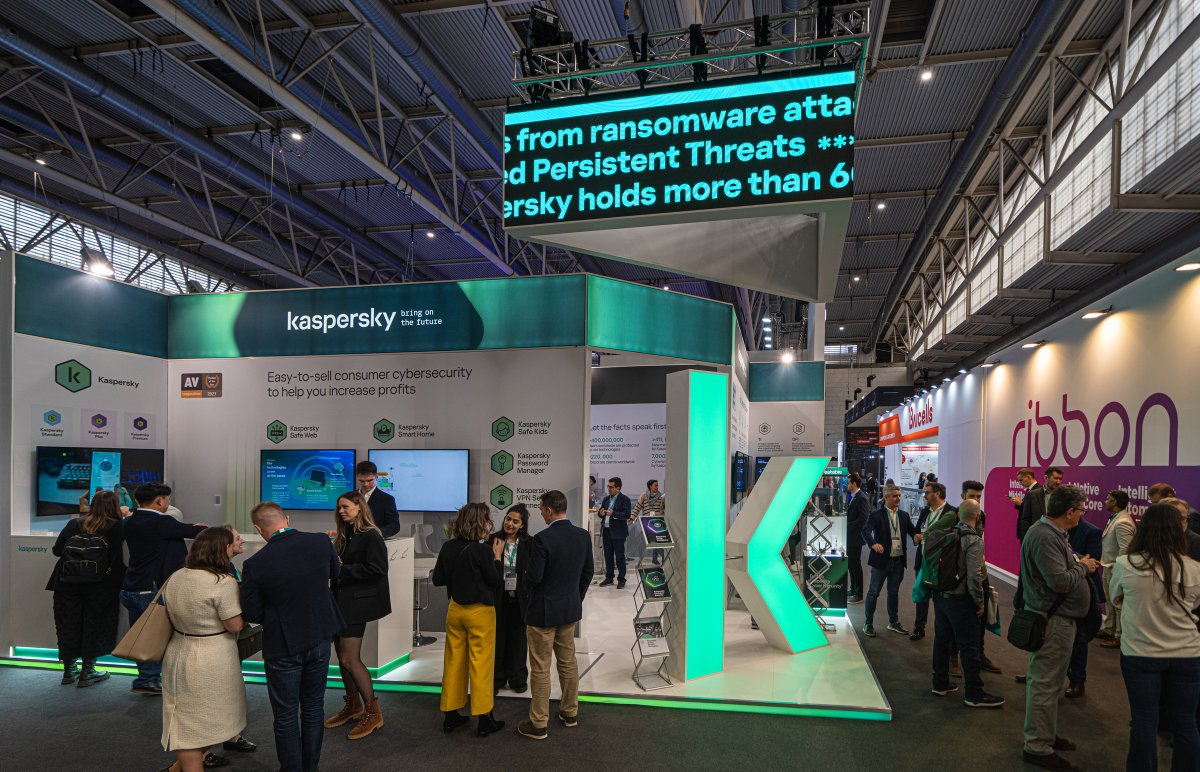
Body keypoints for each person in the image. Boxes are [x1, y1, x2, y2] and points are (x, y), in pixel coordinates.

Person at [241, 502, 344, 772]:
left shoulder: (255, 563)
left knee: (285, 715)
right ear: (286, 519)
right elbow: (335, 573)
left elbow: (251, 612)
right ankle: (311, 767)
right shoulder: (320, 542)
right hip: (319, 636)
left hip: (283, 644)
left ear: (258, 529)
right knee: (313, 707)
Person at [1110, 503, 1200, 772]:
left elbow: (1115, 599)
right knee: (1186, 723)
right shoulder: (1194, 568)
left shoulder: (1126, 564)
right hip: (1187, 654)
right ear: (1178, 530)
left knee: (1144, 721)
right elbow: (1195, 605)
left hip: (1140, 653)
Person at [1019, 484, 1100, 772]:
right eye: (1081, 510)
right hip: (1052, 622)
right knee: (1045, 685)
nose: (1082, 515)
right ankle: (1037, 747)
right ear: (1068, 512)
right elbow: (1060, 581)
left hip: (1058, 620)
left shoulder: (1052, 534)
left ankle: (1044, 735)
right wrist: (1084, 567)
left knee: (1049, 684)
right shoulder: (1044, 536)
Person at [160, 527, 247, 772]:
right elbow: (234, 625)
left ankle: (178, 768)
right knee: (197, 726)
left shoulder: (177, 576)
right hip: (213, 657)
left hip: (178, 650)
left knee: (185, 717)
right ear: (224, 549)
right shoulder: (223, 582)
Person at [518, 490, 593, 740]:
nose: (540, 513)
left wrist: (527, 591)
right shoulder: (582, 536)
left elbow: (534, 577)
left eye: (541, 509)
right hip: (568, 610)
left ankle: (539, 723)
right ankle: (570, 713)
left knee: (540, 667)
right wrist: (575, 597)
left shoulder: (542, 539)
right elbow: (588, 572)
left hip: (542, 612)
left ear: (549, 510)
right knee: (568, 662)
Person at [121, 483, 206, 696]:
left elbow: (174, 531)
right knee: (154, 636)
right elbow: (196, 532)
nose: (168, 502)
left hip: (132, 586)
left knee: (140, 636)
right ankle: (148, 679)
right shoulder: (161, 522)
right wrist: (201, 527)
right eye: (167, 499)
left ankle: (145, 677)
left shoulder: (129, 522)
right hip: (151, 590)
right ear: (159, 500)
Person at [433, 502, 505, 737]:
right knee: (481, 664)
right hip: (480, 612)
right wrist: (497, 557)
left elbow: (438, 579)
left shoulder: (448, 547)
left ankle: (450, 714)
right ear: (482, 523)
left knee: (453, 662)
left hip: (455, 610)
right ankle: (484, 718)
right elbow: (495, 581)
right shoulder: (482, 550)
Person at [324, 492, 390, 740]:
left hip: (356, 605)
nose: (341, 511)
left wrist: (342, 569)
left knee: (350, 658)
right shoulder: (345, 534)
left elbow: (378, 569)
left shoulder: (371, 535)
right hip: (339, 602)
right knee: (341, 659)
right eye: (339, 507)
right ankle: (353, 705)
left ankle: (373, 712)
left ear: (359, 507)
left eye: (345, 507)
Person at [930, 500, 1004, 708]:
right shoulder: (974, 540)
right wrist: (979, 601)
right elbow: (974, 576)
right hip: (961, 600)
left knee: (941, 640)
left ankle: (940, 683)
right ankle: (974, 693)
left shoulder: (946, 534)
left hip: (941, 595)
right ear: (978, 517)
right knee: (969, 646)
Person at [47, 489, 125, 688]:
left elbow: (57, 550)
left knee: (68, 624)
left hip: (66, 582)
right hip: (101, 585)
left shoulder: (74, 523)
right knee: (95, 624)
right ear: (115, 506)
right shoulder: (116, 526)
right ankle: (88, 671)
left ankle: (68, 671)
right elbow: (118, 557)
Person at [860, 485, 917, 638]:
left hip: (898, 561)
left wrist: (916, 536)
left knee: (893, 593)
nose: (898, 498)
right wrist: (873, 544)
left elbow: (912, 531)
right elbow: (865, 530)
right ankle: (868, 623)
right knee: (873, 593)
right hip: (881, 561)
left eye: (899, 495)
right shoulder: (876, 515)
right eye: (894, 496)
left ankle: (893, 622)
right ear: (886, 498)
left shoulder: (904, 515)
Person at [961, 480, 1001, 674]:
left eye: (979, 496)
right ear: (963, 496)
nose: (977, 500)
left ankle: (980, 654)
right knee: (961, 620)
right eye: (972, 496)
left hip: (980, 573)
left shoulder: (981, 516)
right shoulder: (954, 516)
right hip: (961, 577)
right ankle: (954, 657)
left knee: (981, 618)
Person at [492, 504, 532, 694]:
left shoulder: (529, 543)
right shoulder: (493, 540)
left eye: (515, 521)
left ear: (522, 525)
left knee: (518, 641)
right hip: (498, 597)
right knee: (498, 639)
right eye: (508, 519)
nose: (510, 523)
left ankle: (517, 679)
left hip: (520, 598)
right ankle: (497, 678)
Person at [911, 481, 958, 641]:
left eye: (927, 492)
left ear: (937, 494)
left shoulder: (952, 513)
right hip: (923, 561)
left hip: (941, 564)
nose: (924, 496)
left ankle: (943, 632)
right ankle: (919, 627)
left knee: (940, 600)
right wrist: (916, 537)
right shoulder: (926, 511)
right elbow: (917, 529)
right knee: (921, 596)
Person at [1064, 512, 1103, 699]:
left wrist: (1074, 561)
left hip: (1082, 593)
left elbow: (1093, 564)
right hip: (1060, 591)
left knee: (1079, 639)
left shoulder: (1091, 532)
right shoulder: (1055, 530)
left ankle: (1077, 679)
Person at [1098, 490, 1136, 650]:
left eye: (1108, 499)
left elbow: (1125, 550)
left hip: (1116, 569)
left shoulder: (1123, 522)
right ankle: (1109, 629)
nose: (1105, 501)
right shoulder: (1116, 518)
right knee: (1110, 601)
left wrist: (1118, 570)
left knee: (1118, 603)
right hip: (1109, 567)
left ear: (1114, 502)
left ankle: (1119, 636)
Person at [597, 477, 632, 589]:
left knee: (620, 557)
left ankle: (621, 579)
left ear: (618, 488)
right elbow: (600, 513)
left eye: (611, 487)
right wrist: (601, 513)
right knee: (608, 556)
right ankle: (609, 578)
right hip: (606, 531)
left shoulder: (625, 499)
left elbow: (627, 515)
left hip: (618, 532)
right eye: (608, 486)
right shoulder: (606, 499)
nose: (609, 489)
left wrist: (614, 513)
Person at [353, 461, 400, 538]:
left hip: (374, 542)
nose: (365, 484)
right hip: (351, 541)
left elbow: (394, 526)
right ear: (357, 477)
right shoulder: (349, 497)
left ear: (376, 477)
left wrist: (376, 533)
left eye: (369, 480)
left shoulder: (387, 499)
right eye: (362, 481)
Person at [845, 473, 871, 604]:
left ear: (854, 484)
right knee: (851, 564)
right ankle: (853, 588)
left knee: (855, 565)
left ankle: (859, 594)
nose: (847, 485)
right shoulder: (854, 497)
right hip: (851, 537)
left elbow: (863, 519)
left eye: (848, 482)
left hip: (856, 537)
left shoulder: (861, 498)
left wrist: (848, 526)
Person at [1018, 467, 1063, 542]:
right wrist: (1026, 541)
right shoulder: (1032, 495)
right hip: (1036, 540)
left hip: (1056, 540)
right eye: (1055, 478)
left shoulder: (1063, 496)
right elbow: (1025, 520)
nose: (1058, 482)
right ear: (1046, 478)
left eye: (1060, 479)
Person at [632, 480, 666, 566]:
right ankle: (663, 557)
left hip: (658, 522)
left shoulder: (661, 496)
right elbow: (637, 507)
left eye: (657, 485)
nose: (657, 487)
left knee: (657, 541)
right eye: (655, 485)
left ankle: (657, 558)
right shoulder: (644, 496)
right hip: (647, 522)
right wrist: (632, 518)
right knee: (652, 541)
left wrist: (663, 509)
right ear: (650, 486)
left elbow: (664, 508)